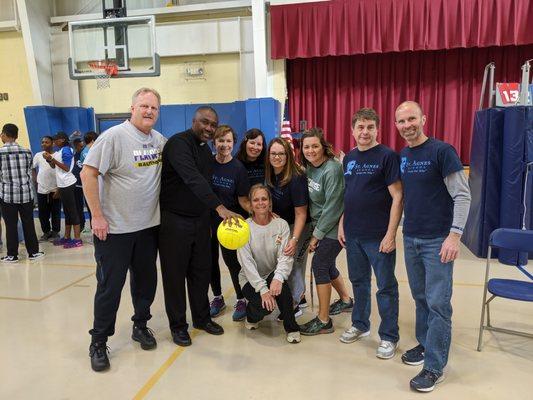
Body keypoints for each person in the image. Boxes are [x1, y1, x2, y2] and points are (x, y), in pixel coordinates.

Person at [81, 87, 167, 372]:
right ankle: (98, 341)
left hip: (147, 230)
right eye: (144, 106)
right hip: (114, 231)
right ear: (132, 108)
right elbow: (88, 173)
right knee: (110, 288)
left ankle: (140, 326)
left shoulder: (159, 141)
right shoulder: (114, 137)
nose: (149, 112)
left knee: (145, 285)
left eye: (153, 108)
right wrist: (97, 216)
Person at [395, 101, 471, 392]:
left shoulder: (443, 151)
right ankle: (426, 344)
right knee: (421, 297)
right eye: (401, 121)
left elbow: (462, 196)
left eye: (411, 118)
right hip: (411, 237)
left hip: (438, 240)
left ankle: (434, 367)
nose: (407, 125)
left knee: (438, 303)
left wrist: (454, 235)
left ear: (423, 119)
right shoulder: (404, 155)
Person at [159, 106, 241, 347]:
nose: (208, 128)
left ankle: (201, 318)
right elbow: (192, 178)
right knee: (174, 276)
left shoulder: (206, 150)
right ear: (193, 121)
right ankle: (178, 326)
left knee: (200, 271)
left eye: (213, 125)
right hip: (174, 221)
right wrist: (219, 208)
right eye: (204, 122)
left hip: (200, 220)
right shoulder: (178, 144)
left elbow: (209, 183)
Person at [338, 108, 402, 359]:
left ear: (377, 130)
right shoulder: (349, 158)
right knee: (359, 282)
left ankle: (389, 336)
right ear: (352, 130)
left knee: (386, 287)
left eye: (370, 127)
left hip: (378, 235)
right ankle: (361, 325)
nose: (365, 132)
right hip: (353, 234)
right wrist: (343, 222)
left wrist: (391, 233)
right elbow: (349, 194)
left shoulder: (387, 156)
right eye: (360, 127)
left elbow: (398, 196)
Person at [298, 128, 353, 335]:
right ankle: (346, 301)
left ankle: (323, 320)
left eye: (315, 146)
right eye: (306, 147)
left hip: (333, 228)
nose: (311, 150)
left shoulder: (332, 169)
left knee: (320, 265)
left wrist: (316, 236)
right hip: (320, 225)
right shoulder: (310, 167)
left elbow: (333, 207)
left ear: (323, 147)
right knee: (327, 264)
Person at [237, 184, 301, 344]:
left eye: (264, 199)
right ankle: (251, 316)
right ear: (250, 204)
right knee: (264, 307)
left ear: (270, 202)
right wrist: (263, 290)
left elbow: (285, 257)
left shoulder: (281, 225)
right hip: (251, 279)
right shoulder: (244, 228)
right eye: (256, 200)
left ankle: (292, 328)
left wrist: (278, 278)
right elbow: (247, 264)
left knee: (284, 293)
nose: (260, 203)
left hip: (272, 273)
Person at [265, 137, 312, 317]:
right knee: (283, 262)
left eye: (281, 154)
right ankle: (300, 297)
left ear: (288, 155)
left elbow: (301, 213)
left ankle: (295, 304)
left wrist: (294, 239)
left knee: (293, 263)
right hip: (283, 226)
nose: (277, 157)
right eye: (273, 153)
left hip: (299, 225)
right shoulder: (271, 173)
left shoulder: (296, 177)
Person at [208, 125, 251, 321]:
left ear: (233, 144)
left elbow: (243, 199)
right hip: (207, 221)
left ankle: (241, 299)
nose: (224, 145)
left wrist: (260, 214)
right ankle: (217, 298)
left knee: (232, 264)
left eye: (228, 141)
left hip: (230, 225)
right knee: (209, 262)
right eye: (220, 141)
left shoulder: (238, 169)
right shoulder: (207, 163)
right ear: (214, 142)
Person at [0, 123, 44, 263]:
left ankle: (12, 255)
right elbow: (29, 171)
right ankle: (33, 253)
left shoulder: (0, 153)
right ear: (17, 136)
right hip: (26, 194)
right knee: (29, 223)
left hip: (7, 195)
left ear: (5, 135)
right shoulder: (27, 151)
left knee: (10, 225)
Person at [43, 132, 82, 248]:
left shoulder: (66, 150)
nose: (54, 142)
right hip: (63, 184)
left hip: (69, 184)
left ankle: (77, 239)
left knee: (73, 212)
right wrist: (49, 160)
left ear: (62, 140)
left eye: (56, 140)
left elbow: (66, 168)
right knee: (67, 212)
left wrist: (52, 159)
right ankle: (66, 237)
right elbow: (54, 167)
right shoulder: (60, 151)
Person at [32, 136, 61, 241]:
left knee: (56, 212)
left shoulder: (58, 155)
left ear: (52, 143)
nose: (44, 144)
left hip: (55, 189)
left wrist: (59, 188)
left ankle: (55, 232)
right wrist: (35, 180)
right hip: (42, 189)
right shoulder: (38, 155)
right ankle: (46, 232)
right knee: (43, 213)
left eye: (46, 142)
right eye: (42, 142)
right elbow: (32, 168)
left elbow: (61, 170)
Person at [80, 131, 98, 225]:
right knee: (94, 211)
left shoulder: (84, 151)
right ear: (92, 140)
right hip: (91, 185)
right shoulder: (88, 153)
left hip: (88, 184)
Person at [71, 135, 86, 232]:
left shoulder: (86, 154)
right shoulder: (73, 154)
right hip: (76, 184)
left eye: (81, 145)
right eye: (77, 145)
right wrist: (73, 136)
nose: (79, 147)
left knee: (90, 206)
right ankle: (81, 224)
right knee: (78, 206)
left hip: (87, 183)